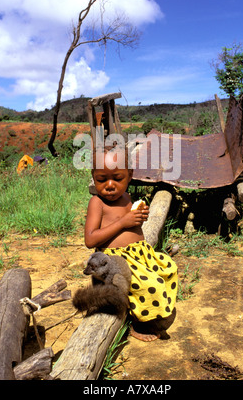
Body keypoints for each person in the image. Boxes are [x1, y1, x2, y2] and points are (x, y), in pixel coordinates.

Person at [84, 145, 178, 341]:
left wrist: (139, 217)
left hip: (138, 254)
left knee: (167, 269)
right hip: (116, 261)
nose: (110, 185)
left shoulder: (126, 196)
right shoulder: (97, 203)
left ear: (130, 175)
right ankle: (136, 324)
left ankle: (151, 313)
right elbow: (90, 239)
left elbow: (130, 224)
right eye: (102, 179)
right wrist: (123, 222)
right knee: (147, 285)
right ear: (94, 177)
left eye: (118, 179)